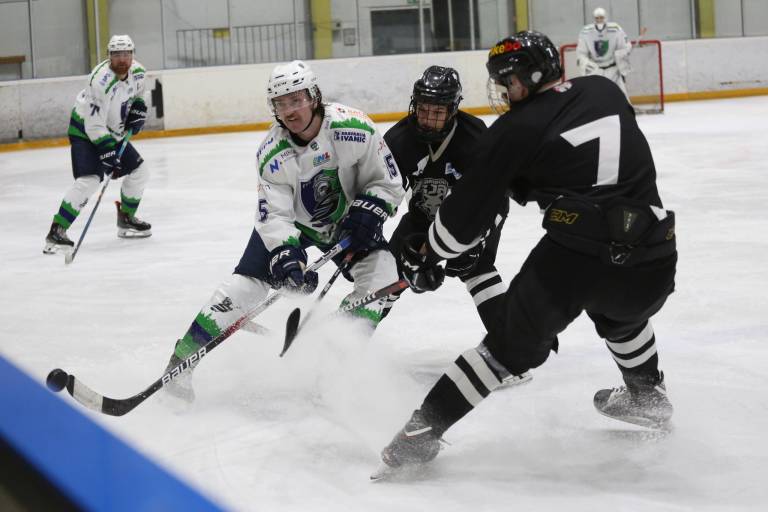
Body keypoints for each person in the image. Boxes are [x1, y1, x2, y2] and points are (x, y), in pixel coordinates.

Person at [374, 31, 677, 476]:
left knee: (502, 350)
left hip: (575, 258)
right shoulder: (603, 89)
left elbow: (456, 229)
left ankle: (420, 434)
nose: (503, 92)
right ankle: (647, 394)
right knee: (621, 313)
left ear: (528, 79)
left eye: (507, 82)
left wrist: (428, 252)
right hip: (655, 254)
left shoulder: (514, 130)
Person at [162, 60, 405, 403]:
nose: (289, 110)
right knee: (244, 287)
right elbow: (274, 214)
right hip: (297, 224)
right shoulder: (271, 153)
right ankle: (182, 361)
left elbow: (388, 180)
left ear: (314, 97)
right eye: (280, 103)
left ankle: (332, 367)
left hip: (347, 221)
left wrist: (372, 208)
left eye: (296, 99)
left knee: (382, 278)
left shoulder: (354, 128)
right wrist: (287, 256)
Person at [382, 65, 529, 387]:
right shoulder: (399, 139)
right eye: (423, 110)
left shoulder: (476, 139)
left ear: (453, 110)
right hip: (421, 217)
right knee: (386, 271)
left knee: (478, 269)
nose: (428, 119)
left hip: (471, 219)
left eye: (437, 112)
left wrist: (475, 241)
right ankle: (347, 343)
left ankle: (512, 357)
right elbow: (383, 191)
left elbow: (496, 200)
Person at [43, 34, 150, 254]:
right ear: (109, 56)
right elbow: (94, 125)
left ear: (132, 55)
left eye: (126, 54)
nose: (122, 59)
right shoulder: (100, 81)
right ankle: (57, 230)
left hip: (113, 131)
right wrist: (108, 152)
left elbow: (139, 93)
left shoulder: (139, 72)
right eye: (117, 54)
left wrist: (139, 108)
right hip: (85, 131)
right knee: (90, 180)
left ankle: (126, 218)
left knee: (140, 171)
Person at [576, 7, 633, 100]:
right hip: (595, 70)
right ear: (594, 19)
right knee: (593, 98)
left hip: (613, 70)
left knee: (622, 97)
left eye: (601, 18)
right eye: (597, 18)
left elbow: (625, 46)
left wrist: (620, 56)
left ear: (605, 17)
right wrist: (586, 63)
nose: (599, 20)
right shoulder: (585, 32)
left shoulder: (615, 29)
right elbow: (581, 53)